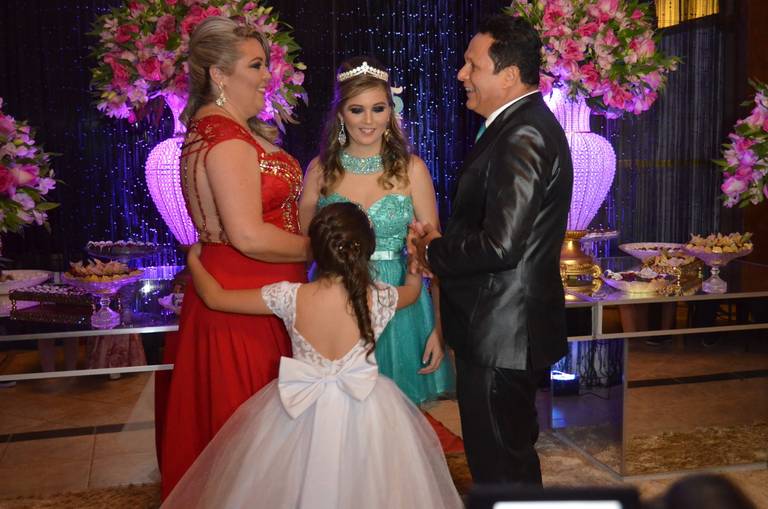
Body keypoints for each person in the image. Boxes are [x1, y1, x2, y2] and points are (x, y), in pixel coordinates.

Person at [162, 203, 463, 509]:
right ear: (366, 249)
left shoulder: (289, 296)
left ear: (315, 249)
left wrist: (193, 260)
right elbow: (413, 291)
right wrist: (414, 260)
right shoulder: (380, 297)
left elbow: (215, 298)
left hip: (298, 409)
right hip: (369, 408)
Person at [411, 15, 573, 484]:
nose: (462, 74)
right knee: (503, 462)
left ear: (508, 75)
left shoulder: (523, 133)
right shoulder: (516, 125)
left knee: (501, 468)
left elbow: (501, 245)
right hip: (501, 329)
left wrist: (434, 251)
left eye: (472, 65)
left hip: (502, 331)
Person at [159, 16, 309, 498]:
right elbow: (248, 236)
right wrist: (325, 248)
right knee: (251, 441)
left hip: (243, 290)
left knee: (244, 440)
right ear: (219, 75)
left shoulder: (213, 130)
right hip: (247, 301)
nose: (268, 75)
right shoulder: (226, 140)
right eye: (256, 65)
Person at [299, 56, 454, 405]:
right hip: (335, 299)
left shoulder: (412, 169)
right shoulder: (320, 170)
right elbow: (304, 247)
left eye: (378, 108)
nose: (368, 121)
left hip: (402, 304)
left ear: (390, 110)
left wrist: (439, 328)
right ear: (341, 114)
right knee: (335, 413)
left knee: (397, 417)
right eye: (357, 110)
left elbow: (433, 256)